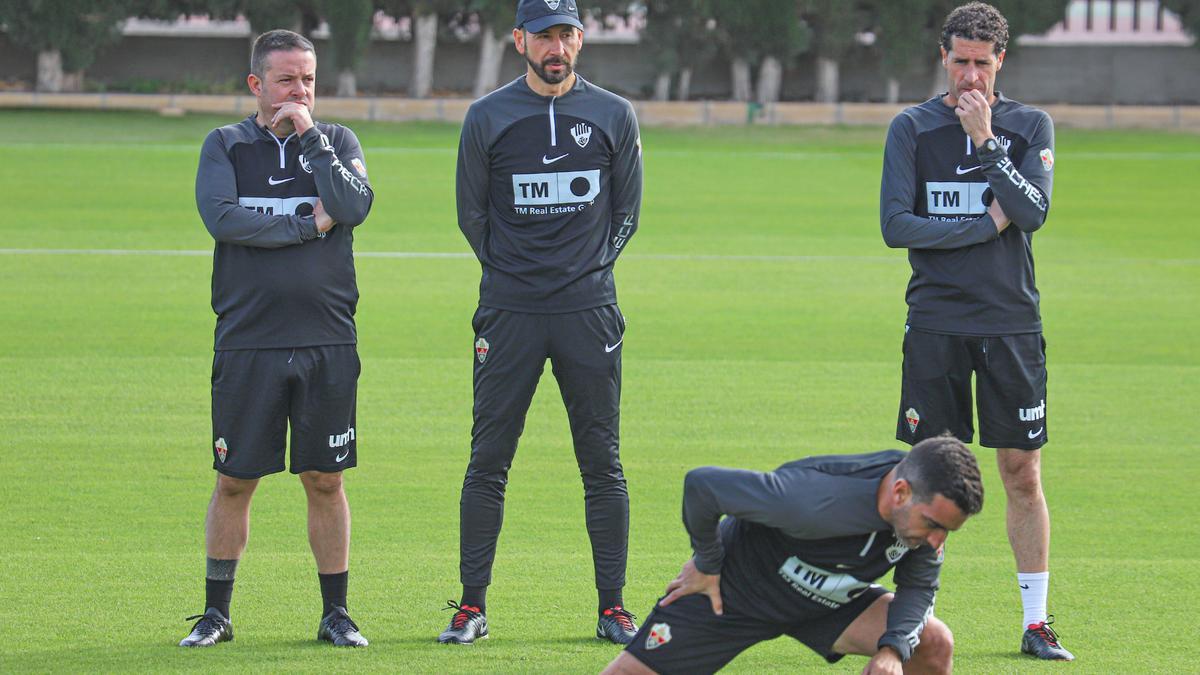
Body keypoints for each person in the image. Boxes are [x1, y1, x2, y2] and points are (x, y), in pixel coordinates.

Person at [439, 0, 643, 646]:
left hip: (588, 313)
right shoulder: (488, 117)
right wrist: (518, 276)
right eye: (544, 36)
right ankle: (472, 606)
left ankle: (613, 607)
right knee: (489, 459)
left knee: (602, 462)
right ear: (519, 40)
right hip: (510, 312)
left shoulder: (613, 114)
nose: (556, 47)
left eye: (567, 35)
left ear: (580, 41)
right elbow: (472, 215)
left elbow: (627, 213)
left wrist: (584, 273)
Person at [878, 2, 1071, 661]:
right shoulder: (911, 129)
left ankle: (1036, 620)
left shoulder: (1026, 126)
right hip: (935, 322)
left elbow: (1032, 212)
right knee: (932, 472)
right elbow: (896, 226)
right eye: (959, 61)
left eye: (981, 64)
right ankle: (916, 619)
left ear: (1000, 63)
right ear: (943, 57)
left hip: (1010, 324)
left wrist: (988, 142)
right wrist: (982, 228)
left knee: (1020, 471)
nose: (969, 76)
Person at [180, 29, 373, 648]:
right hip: (248, 339)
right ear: (256, 85)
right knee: (235, 479)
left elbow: (355, 204)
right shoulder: (226, 145)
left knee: (325, 479)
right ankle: (216, 615)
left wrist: (312, 139)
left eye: (309, 79)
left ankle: (336, 615)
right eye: (287, 80)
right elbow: (222, 217)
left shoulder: (337, 141)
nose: (300, 90)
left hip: (326, 338)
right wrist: (304, 222)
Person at [602, 435, 984, 674]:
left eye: (947, 531)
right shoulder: (810, 500)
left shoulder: (922, 518)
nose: (938, 541)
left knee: (932, 644)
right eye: (934, 525)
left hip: (829, 600)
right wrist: (707, 562)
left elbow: (918, 587)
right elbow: (703, 486)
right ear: (900, 493)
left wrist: (892, 651)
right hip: (737, 593)